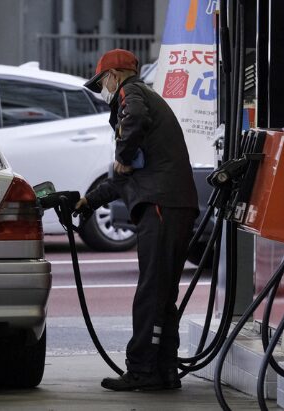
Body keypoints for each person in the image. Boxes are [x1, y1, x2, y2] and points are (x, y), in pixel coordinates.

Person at [76, 49, 198, 391]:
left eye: (101, 83)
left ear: (113, 76)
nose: (102, 90)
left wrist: (123, 153)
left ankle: (142, 370)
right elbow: (122, 177)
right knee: (162, 293)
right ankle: (165, 369)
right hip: (173, 203)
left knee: (150, 292)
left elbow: (132, 133)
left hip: (161, 204)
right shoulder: (145, 103)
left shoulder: (132, 94)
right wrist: (89, 201)